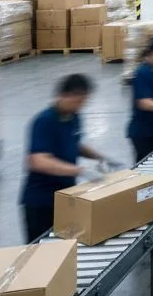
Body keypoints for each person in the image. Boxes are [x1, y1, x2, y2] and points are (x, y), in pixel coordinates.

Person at [21, 74, 109, 242]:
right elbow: (38, 161)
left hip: (65, 197)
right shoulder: (44, 121)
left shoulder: (74, 117)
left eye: (84, 101)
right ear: (64, 95)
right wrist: (80, 170)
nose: (80, 106)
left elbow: (73, 144)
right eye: (78, 101)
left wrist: (100, 157)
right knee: (40, 252)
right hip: (42, 202)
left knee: (63, 249)